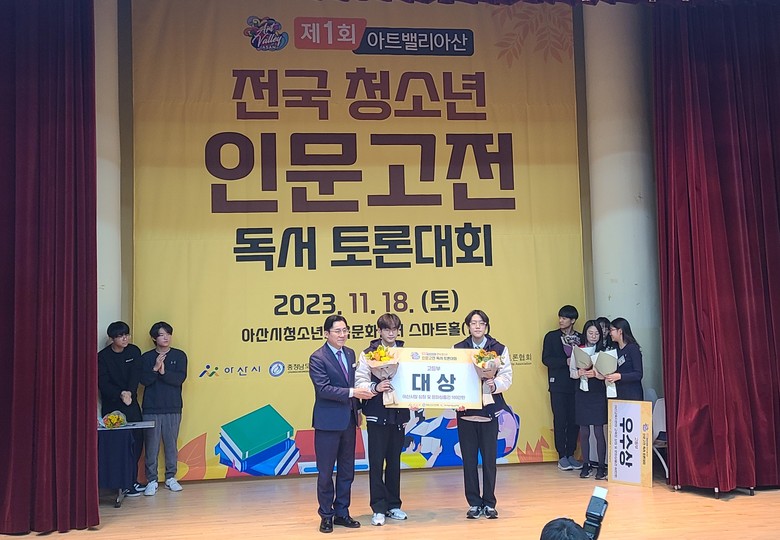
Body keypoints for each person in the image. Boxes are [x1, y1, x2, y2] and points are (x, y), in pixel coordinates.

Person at [309, 315, 374, 534]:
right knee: (326, 472)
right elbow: (323, 389)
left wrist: (358, 409)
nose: (342, 334)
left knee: (347, 471)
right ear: (326, 333)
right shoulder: (318, 357)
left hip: (349, 420)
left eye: (345, 330)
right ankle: (326, 515)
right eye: (337, 331)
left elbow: (353, 383)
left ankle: (342, 512)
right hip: (327, 423)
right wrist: (353, 393)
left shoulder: (350, 353)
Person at [453, 309, 513, 520]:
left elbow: (507, 377)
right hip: (466, 412)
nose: (477, 326)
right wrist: (457, 400)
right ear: (468, 326)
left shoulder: (498, 349)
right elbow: (452, 379)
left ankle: (489, 502)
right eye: (473, 323)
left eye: (481, 323)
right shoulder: (458, 349)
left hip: (489, 411)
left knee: (489, 460)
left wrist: (494, 384)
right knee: (469, 460)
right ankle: (473, 503)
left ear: (486, 326)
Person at [355, 313, 410, 527]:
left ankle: (394, 505)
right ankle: (378, 507)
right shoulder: (368, 354)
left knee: (394, 462)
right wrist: (375, 387)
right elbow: (360, 381)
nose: (391, 333)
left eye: (394, 329)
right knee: (377, 463)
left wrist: (415, 399)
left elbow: (414, 381)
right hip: (376, 414)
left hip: (398, 415)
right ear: (379, 331)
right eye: (387, 329)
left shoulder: (406, 353)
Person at [98, 321, 145, 497]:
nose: (125, 338)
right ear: (112, 338)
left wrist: (129, 393)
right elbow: (103, 382)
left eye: (127, 335)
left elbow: (136, 375)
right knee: (117, 444)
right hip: (112, 406)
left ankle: (132, 481)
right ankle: (119, 483)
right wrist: (120, 394)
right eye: (120, 336)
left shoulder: (134, 351)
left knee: (136, 440)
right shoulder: (102, 357)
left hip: (131, 403)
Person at [140, 321, 188, 495]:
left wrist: (164, 372)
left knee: (170, 444)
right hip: (151, 408)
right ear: (154, 338)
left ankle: (170, 478)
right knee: (151, 446)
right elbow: (144, 381)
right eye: (161, 335)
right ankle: (151, 480)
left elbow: (179, 379)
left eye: (168, 334)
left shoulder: (179, 355)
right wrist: (155, 368)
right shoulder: (146, 357)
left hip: (173, 406)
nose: (166, 337)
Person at [542, 305, 582, 471]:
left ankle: (571, 454)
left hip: (576, 385)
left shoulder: (580, 338)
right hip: (558, 385)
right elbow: (546, 359)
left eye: (564, 318)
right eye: (560, 317)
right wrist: (565, 362)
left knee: (574, 420)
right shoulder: (551, 337)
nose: (561, 320)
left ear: (573, 320)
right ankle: (562, 456)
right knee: (560, 420)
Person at [570, 320, 608, 480]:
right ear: (585, 334)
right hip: (582, 393)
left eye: (597, 333)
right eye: (591, 333)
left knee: (598, 431)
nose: (594, 336)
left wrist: (597, 375)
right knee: (584, 431)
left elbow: (608, 374)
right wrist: (579, 373)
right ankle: (586, 464)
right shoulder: (578, 350)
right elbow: (572, 373)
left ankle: (601, 466)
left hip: (597, 392)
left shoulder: (604, 351)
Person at [606, 317, 644, 400]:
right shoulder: (614, 349)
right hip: (617, 393)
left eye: (612, 330)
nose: (610, 333)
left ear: (620, 331)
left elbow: (638, 374)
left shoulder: (633, 348)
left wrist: (620, 376)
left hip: (632, 394)